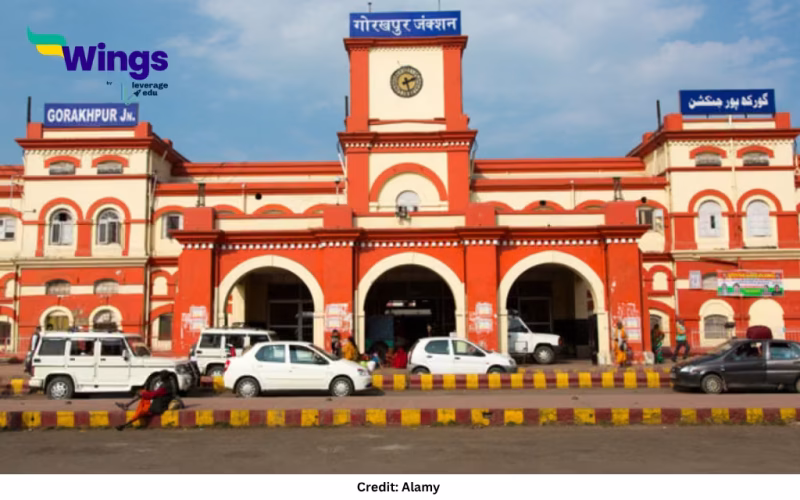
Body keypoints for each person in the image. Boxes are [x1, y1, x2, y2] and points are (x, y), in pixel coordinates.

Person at [115, 371, 184, 431]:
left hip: (157, 406)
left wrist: (143, 394)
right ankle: (126, 406)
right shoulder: (169, 384)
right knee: (142, 395)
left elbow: (153, 395)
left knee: (140, 412)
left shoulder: (165, 387)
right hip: (157, 402)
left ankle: (124, 424)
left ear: (163, 378)